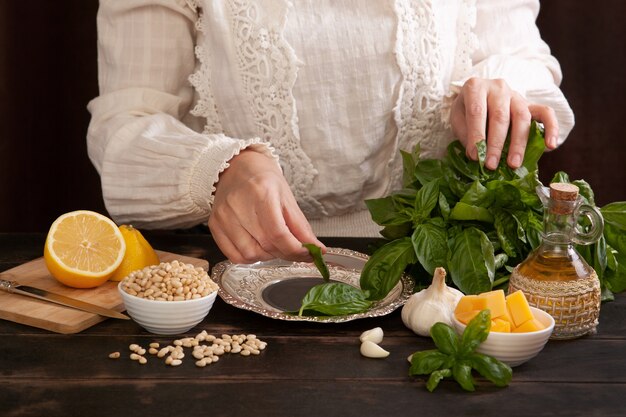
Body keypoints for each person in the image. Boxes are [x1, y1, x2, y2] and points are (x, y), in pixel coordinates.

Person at [87, 0, 574, 265]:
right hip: (244, 272)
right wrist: (220, 169)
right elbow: (124, 128)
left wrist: (494, 97)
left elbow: (520, 58)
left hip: (446, 266)